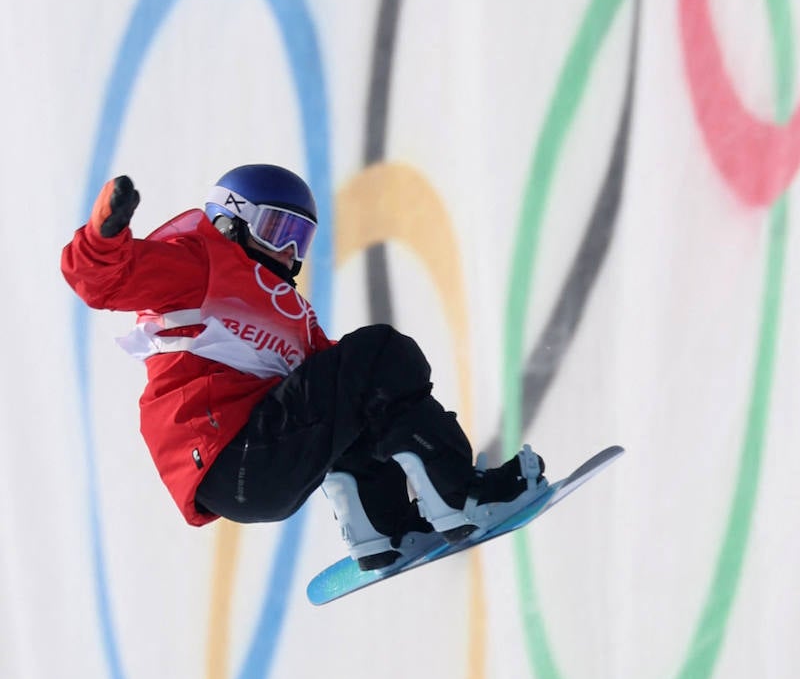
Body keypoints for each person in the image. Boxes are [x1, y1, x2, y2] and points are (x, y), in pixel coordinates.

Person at [61, 163, 546, 570]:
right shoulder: (199, 259)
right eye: (277, 230)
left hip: (247, 472)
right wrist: (104, 237)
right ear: (231, 221)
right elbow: (104, 281)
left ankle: (384, 529)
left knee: (365, 397)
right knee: (382, 353)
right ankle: (464, 497)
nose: (289, 253)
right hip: (233, 452)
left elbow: (350, 393)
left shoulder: (285, 309)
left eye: (300, 238)